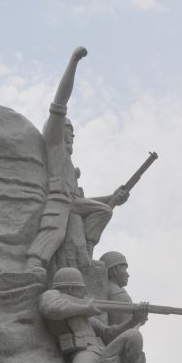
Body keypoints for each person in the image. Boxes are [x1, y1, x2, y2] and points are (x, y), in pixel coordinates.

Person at [25, 47, 129, 281]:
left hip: (71, 202)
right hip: (58, 201)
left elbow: (80, 201)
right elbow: (60, 102)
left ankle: (88, 251)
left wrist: (113, 197)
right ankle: (34, 262)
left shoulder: (70, 166)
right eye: (69, 130)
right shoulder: (54, 145)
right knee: (54, 231)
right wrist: (73, 62)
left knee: (103, 209)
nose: (72, 136)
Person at [39, 267, 154, 363]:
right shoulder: (52, 296)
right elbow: (50, 308)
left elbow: (109, 334)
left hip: (103, 352)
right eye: (81, 290)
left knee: (133, 334)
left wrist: (134, 320)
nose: (85, 293)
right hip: (82, 352)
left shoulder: (87, 319)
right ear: (71, 289)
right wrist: (85, 308)